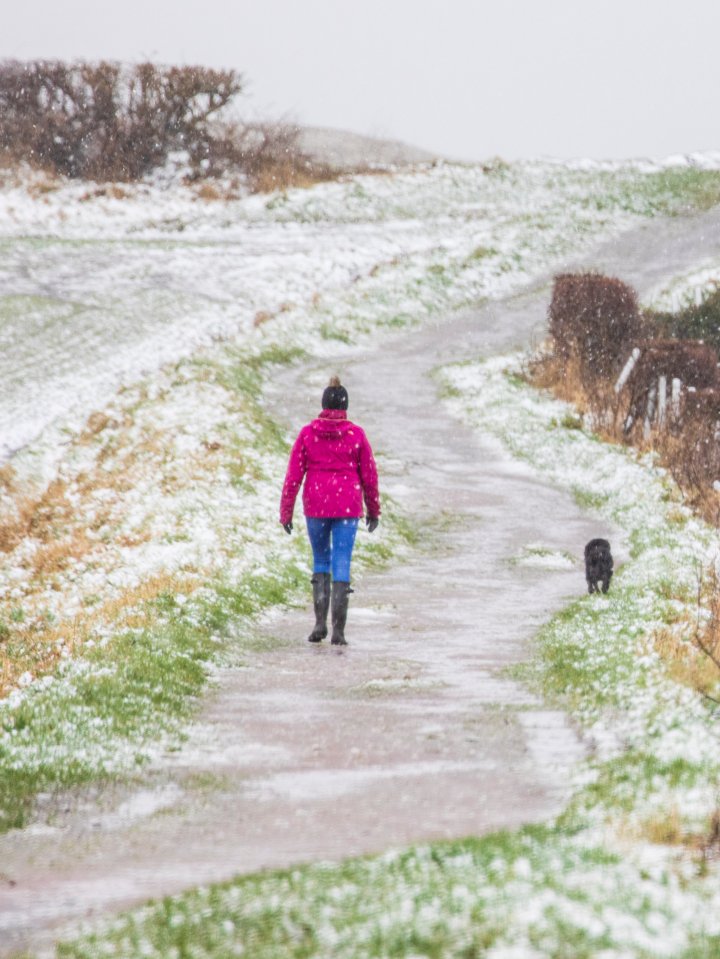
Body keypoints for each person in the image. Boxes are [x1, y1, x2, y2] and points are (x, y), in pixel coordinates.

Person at [279, 376, 380, 646]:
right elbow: (369, 475)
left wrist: (285, 511)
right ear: (345, 406)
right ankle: (339, 631)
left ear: (323, 404)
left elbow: (293, 476)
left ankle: (319, 623)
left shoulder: (307, 434)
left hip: (317, 505)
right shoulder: (356, 435)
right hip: (347, 506)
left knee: (321, 560)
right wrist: (373, 510)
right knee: (342, 560)